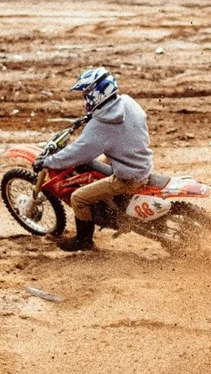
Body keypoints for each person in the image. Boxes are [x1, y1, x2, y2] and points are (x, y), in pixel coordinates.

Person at [41, 66, 154, 252]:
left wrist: (47, 162)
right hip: (140, 159)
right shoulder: (127, 102)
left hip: (128, 177)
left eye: (87, 94)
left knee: (79, 198)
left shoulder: (101, 126)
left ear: (97, 93)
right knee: (99, 162)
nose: (85, 98)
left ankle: (84, 241)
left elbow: (77, 153)